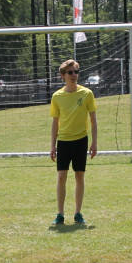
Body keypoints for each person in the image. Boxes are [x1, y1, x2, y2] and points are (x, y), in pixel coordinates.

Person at [49, 59, 97, 226]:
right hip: (63, 141)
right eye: (70, 72)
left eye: (76, 72)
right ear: (63, 75)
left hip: (81, 140)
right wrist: (52, 146)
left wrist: (94, 143)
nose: (74, 75)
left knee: (79, 175)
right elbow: (55, 122)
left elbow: (93, 120)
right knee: (62, 176)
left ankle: (77, 213)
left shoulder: (87, 94)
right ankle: (60, 214)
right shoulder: (57, 96)